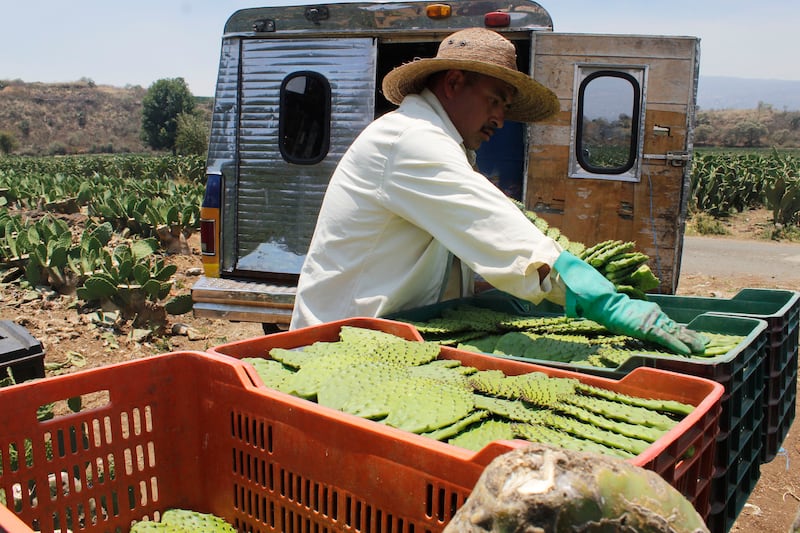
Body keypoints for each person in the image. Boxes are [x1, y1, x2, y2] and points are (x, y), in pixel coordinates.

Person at [289, 28, 706, 355]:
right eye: (495, 101)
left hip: (385, 338)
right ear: (453, 83)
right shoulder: (410, 140)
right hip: (337, 345)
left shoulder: (438, 143)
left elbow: (464, 242)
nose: (500, 119)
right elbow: (490, 225)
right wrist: (603, 301)